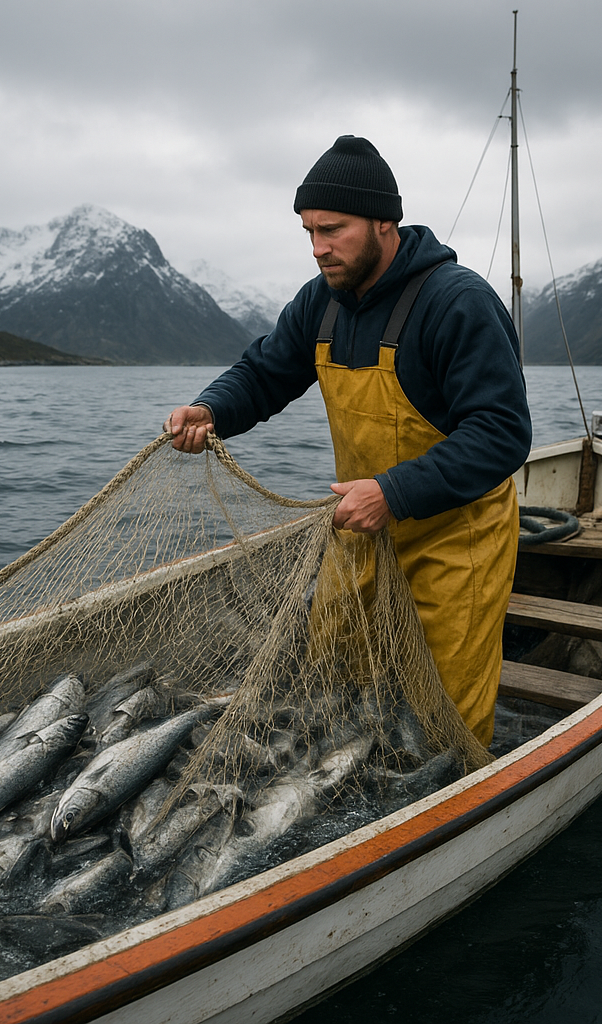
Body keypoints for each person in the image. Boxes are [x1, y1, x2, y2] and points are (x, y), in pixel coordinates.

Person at [164, 135, 531, 746]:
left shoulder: (456, 303)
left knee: (443, 712)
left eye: (332, 230)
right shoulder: (322, 304)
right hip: (361, 526)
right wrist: (212, 408)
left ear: (385, 221)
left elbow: (502, 433)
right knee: (334, 680)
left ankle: (449, 806)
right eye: (308, 232)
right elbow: (265, 372)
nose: (318, 249)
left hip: (453, 535)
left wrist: (393, 490)